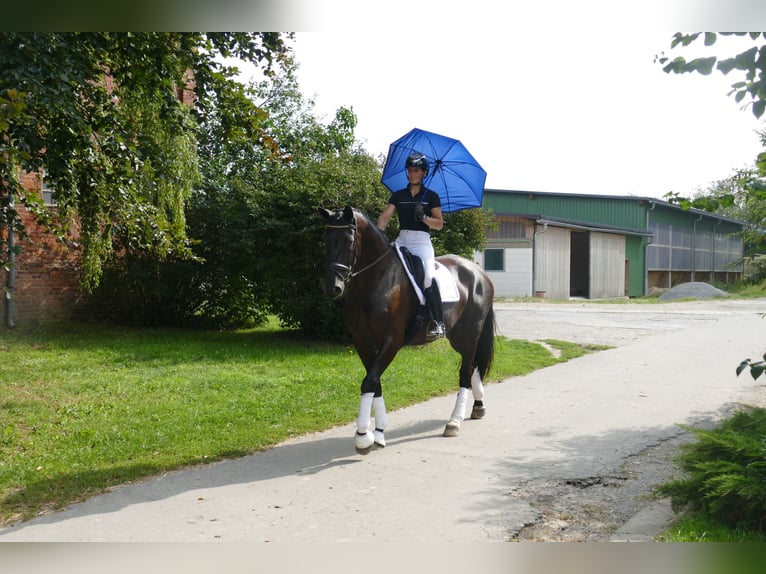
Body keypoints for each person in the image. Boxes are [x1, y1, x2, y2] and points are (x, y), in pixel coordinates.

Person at [377, 151, 445, 340]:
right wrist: (379, 234)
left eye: (416, 170)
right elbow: (384, 217)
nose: (412, 173)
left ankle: (438, 323)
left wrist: (424, 217)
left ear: (424, 172)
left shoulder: (431, 196)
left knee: (428, 278)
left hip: (421, 242)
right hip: (402, 239)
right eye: (410, 170)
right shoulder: (398, 195)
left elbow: (439, 224)